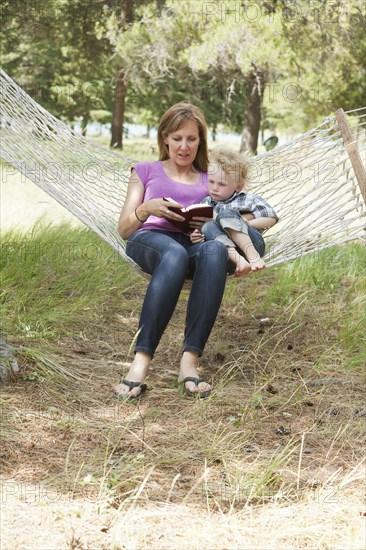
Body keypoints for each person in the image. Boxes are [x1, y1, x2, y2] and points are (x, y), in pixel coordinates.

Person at [114, 102, 229, 402]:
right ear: (165, 137)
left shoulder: (210, 178)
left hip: (192, 244)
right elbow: (124, 229)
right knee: (173, 255)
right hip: (149, 238)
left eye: (192, 139)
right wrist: (145, 209)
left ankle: (189, 363)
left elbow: (234, 215)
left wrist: (210, 224)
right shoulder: (145, 171)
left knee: (215, 251)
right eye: (177, 138)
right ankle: (140, 362)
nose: (184, 146)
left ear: (200, 141)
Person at [190, 146, 278, 277]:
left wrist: (247, 223)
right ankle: (240, 261)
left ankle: (253, 257)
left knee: (226, 214)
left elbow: (271, 218)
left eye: (222, 184)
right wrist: (197, 236)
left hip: (253, 246)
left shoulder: (247, 199)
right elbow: (207, 233)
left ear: (238, 186)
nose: (214, 188)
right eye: (211, 182)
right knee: (208, 226)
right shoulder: (206, 203)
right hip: (227, 257)